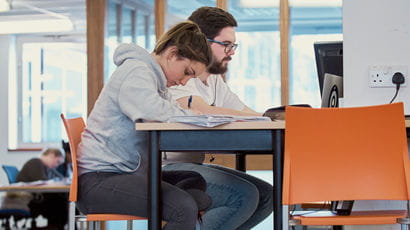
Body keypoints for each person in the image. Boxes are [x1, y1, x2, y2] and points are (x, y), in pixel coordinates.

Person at [76, 21, 213, 230]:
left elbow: (163, 110)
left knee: (192, 179)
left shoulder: (155, 79)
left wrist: (187, 115)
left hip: (125, 174)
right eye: (187, 72)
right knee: (183, 208)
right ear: (172, 54)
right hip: (100, 181)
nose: (185, 82)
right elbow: (151, 111)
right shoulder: (137, 71)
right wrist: (190, 115)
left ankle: (184, 205)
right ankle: (185, 207)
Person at [164, 7, 274, 230]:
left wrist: (273, 117)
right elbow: (202, 109)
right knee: (243, 196)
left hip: (189, 164)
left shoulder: (214, 80)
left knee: (267, 196)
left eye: (233, 46)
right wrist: (261, 119)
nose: (231, 52)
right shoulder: (180, 73)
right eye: (226, 45)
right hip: (162, 168)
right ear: (200, 41)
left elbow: (245, 113)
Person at [16, 148, 67, 230]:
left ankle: (55, 226)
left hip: (36, 198)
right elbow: (42, 181)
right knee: (59, 201)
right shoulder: (35, 162)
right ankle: (55, 226)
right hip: (28, 200)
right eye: (57, 162)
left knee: (62, 199)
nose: (57, 165)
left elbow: (61, 178)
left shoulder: (47, 168)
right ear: (51, 155)